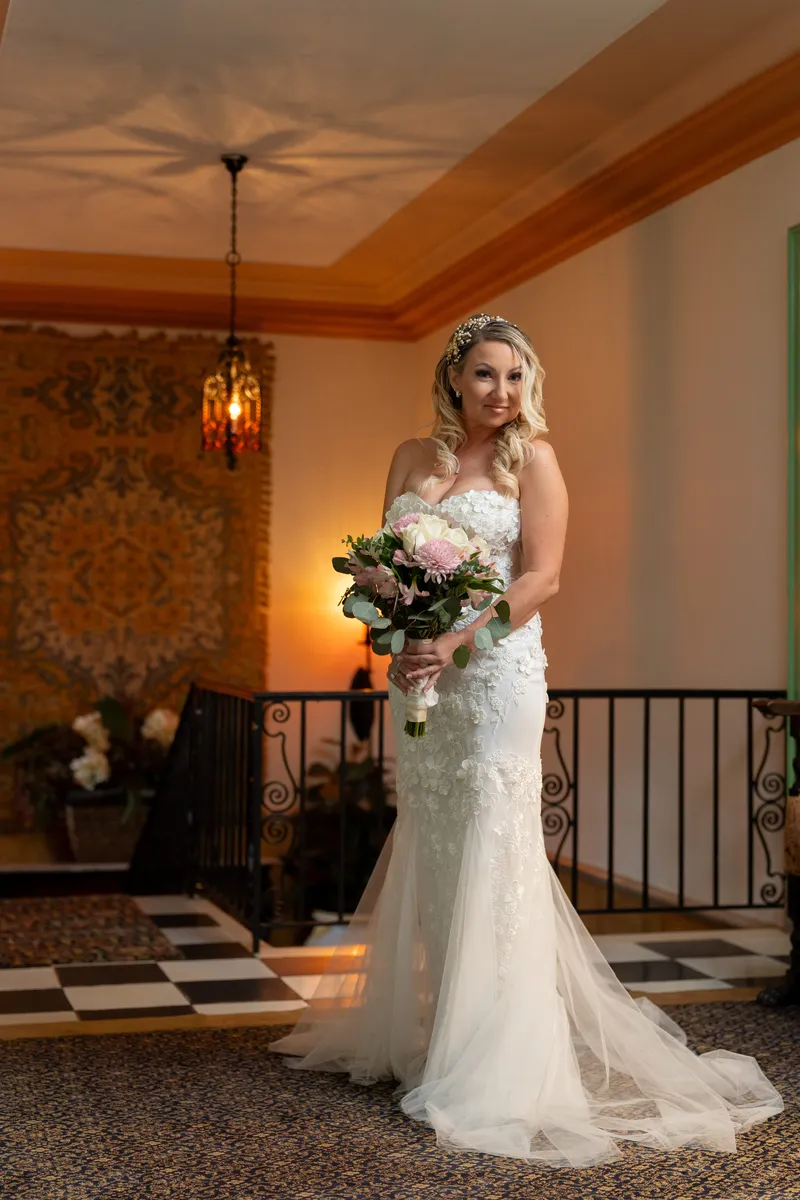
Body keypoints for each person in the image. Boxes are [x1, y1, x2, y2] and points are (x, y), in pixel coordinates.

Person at [270, 314, 783, 1167]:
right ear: (452, 379)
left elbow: (543, 576)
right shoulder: (410, 458)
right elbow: (384, 573)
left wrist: (458, 641)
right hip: (424, 676)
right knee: (436, 840)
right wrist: (398, 649)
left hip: (498, 672)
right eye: (485, 375)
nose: (501, 392)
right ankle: (442, 1035)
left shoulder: (533, 460)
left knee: (490, 842)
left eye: (515, 377)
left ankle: (499, 1059)